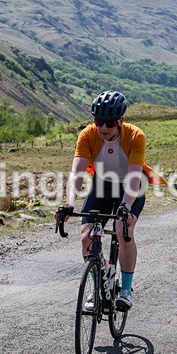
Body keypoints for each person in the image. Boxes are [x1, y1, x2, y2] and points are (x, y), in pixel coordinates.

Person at [56, 90, 163, 312]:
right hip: (103, 184)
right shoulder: (87, 135)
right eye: (98, 121)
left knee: (123, 229)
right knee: (86, 235)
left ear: (120, 121)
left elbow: (134, 177)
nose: (103, 127)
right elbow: (76, 174)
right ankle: (98, 286)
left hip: (131, 185)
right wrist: (69, 204)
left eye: (110, 122)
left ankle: (126, 289)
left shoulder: (135, 136)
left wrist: (125, 207)